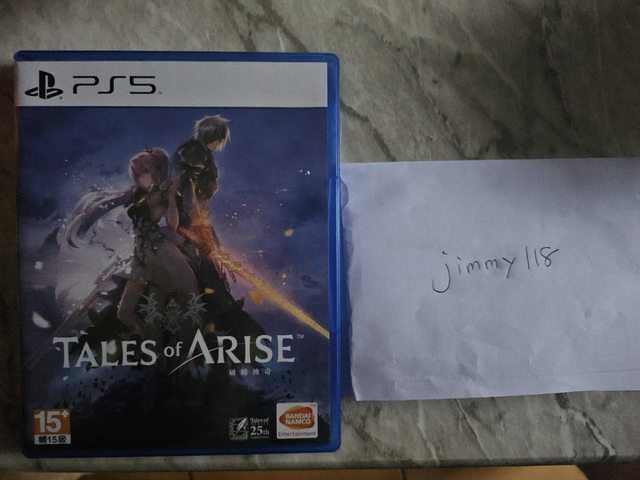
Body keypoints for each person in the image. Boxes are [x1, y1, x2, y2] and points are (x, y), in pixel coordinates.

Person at [66, 148, 198, 337]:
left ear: (155, 172)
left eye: (142, 172)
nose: (136, 176)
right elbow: (114, 205)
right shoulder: (137, 194)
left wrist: (171, 198)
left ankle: (155, 347)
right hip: (141, 255)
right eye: (134, 172)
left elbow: (172, 225)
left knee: (152, 316)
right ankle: (150, 344)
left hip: (159, 255)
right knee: (125, 313)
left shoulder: (164, 195)